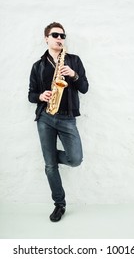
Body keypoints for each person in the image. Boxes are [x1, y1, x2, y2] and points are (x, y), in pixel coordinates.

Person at [28, 22, 89, 222]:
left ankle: (49, 159)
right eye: (55, 35)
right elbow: (31, 95)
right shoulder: (38, 66)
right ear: (46, 38)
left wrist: (74, 74)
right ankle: (59, 204)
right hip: (45, 117)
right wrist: (41, 96)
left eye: (63, 36)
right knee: (50, 167)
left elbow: (85, 88)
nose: (60, 38)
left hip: (67, 117)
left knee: (75, 159)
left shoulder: (73, 60)